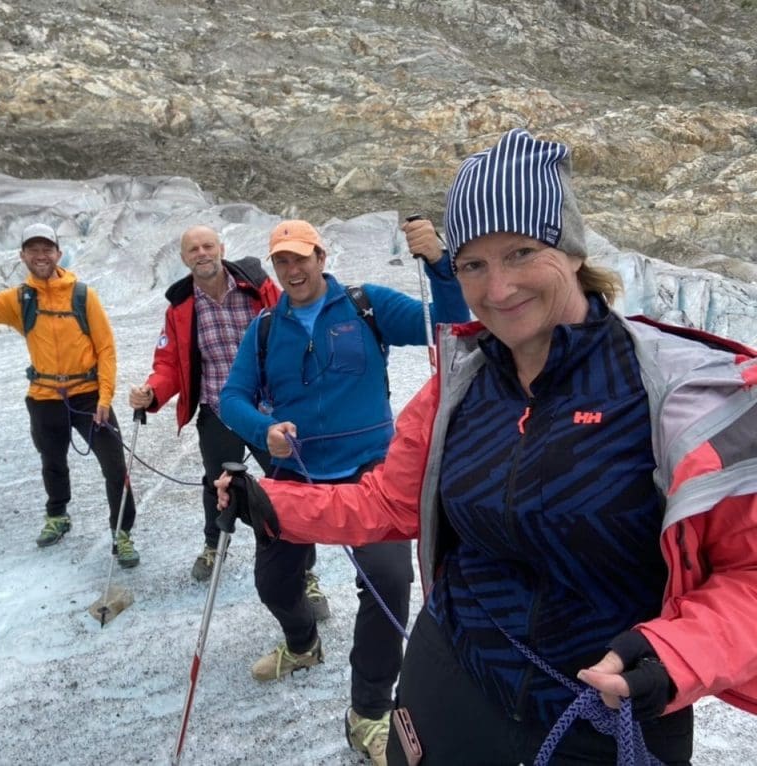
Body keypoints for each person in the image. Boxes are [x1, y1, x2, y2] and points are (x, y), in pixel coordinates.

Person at [218, 128, 757, 765]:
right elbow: (390, 503)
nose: (498, 289)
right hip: (447, 674)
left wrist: (677, 652)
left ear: (571, 251)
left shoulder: (681, 392)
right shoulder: (463, 382)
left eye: (522, 252)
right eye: (473, 264)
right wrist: (272, 504)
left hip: (604, 715)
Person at [218, 218, 469, 766]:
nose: (293, 269)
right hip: (297, 478)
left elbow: (449, 327)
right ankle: (304, 642)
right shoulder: (263, 329)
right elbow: (231, 398)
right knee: (275, 583)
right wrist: (264, 431)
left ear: (321, 256)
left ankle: (369, 710)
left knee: (388, 581)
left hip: (370, 476)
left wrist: (441, 269)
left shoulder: (365, 306)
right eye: (282, 261)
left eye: (301, 257)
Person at [0, 223, 140, 564]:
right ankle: (57, 516)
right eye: (33, 250)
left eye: (46, 249)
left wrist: (104, 398)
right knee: (52, 462)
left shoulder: (82, 295)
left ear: (58, 253)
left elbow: (106, 349)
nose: (40, 256)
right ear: (22, 256)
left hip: (89, 396)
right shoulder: (19, 300)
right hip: (44, 396)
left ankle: (121, 533)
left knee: (115, 466)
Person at [128, 225, 280, 581]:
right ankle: (215, 545)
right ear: (184, 258)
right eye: (193, 249)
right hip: (218, 410)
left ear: (221, 248)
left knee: (285, 482)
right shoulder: (182, 306)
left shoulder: (258, 288)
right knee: (217, 484)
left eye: (208, 246)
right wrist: (152, 392)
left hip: (267, 411)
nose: (202, 253)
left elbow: (289, 331)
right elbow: (168, 363)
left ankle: (299, 562)